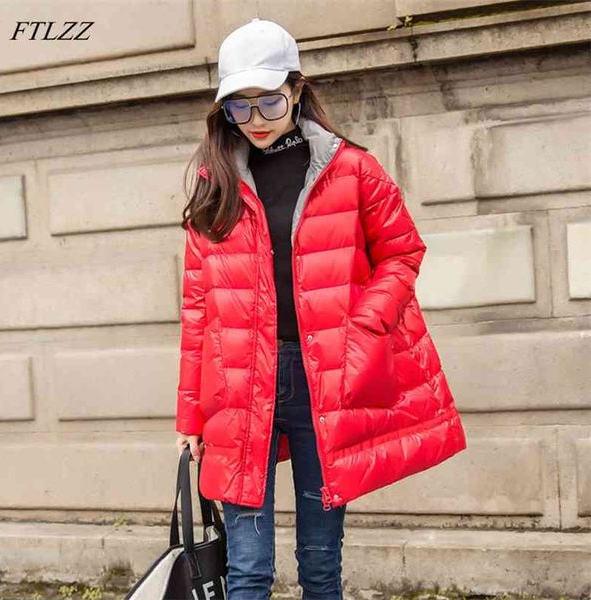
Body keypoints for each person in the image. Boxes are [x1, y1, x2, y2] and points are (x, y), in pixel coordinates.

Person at [174, 17, 467, 600]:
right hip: (237, 389)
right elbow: (199, 309)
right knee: (247, 570)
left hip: (323, 381)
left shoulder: (351, 169)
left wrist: (365, 324)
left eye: (269, 101)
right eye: (239, 107)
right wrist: (189, 420)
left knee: (319, 561)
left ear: (297, 89)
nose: (255, 120)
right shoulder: (216, 185)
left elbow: (402, 252)